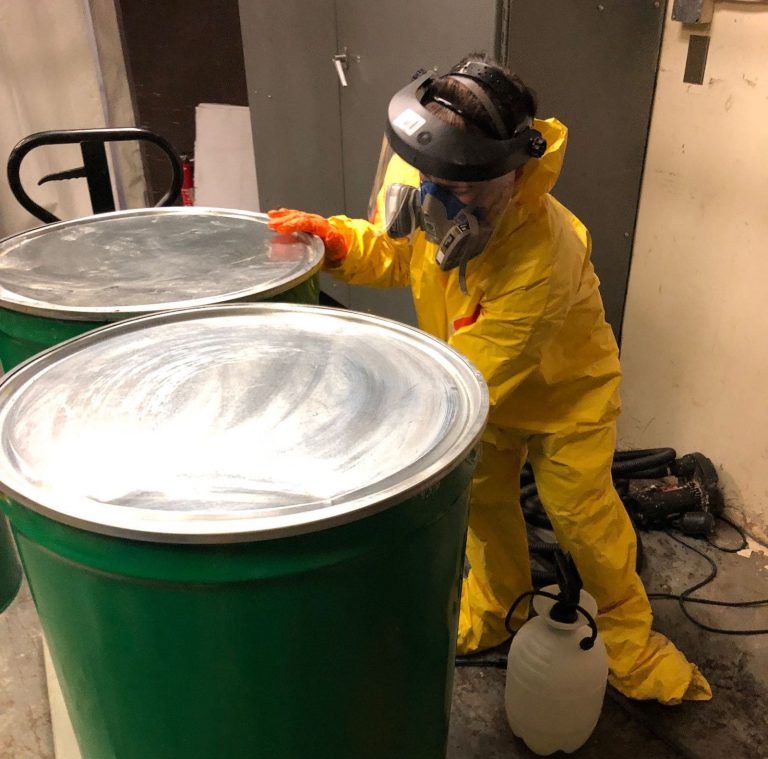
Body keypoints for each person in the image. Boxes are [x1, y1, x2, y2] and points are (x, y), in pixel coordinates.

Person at [268, 54, 710, 704]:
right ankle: (496, 602)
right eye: (430, 174)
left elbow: (464, 384)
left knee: (582, 518)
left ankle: (631, 642)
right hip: (472, 380)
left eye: (468, 186)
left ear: (517, 170)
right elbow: (398, 252)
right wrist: (335, 243)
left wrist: (366, 422)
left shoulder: (541, 259)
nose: (440, 195)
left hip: (564, 395)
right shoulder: (430, 160)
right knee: (483, 502)